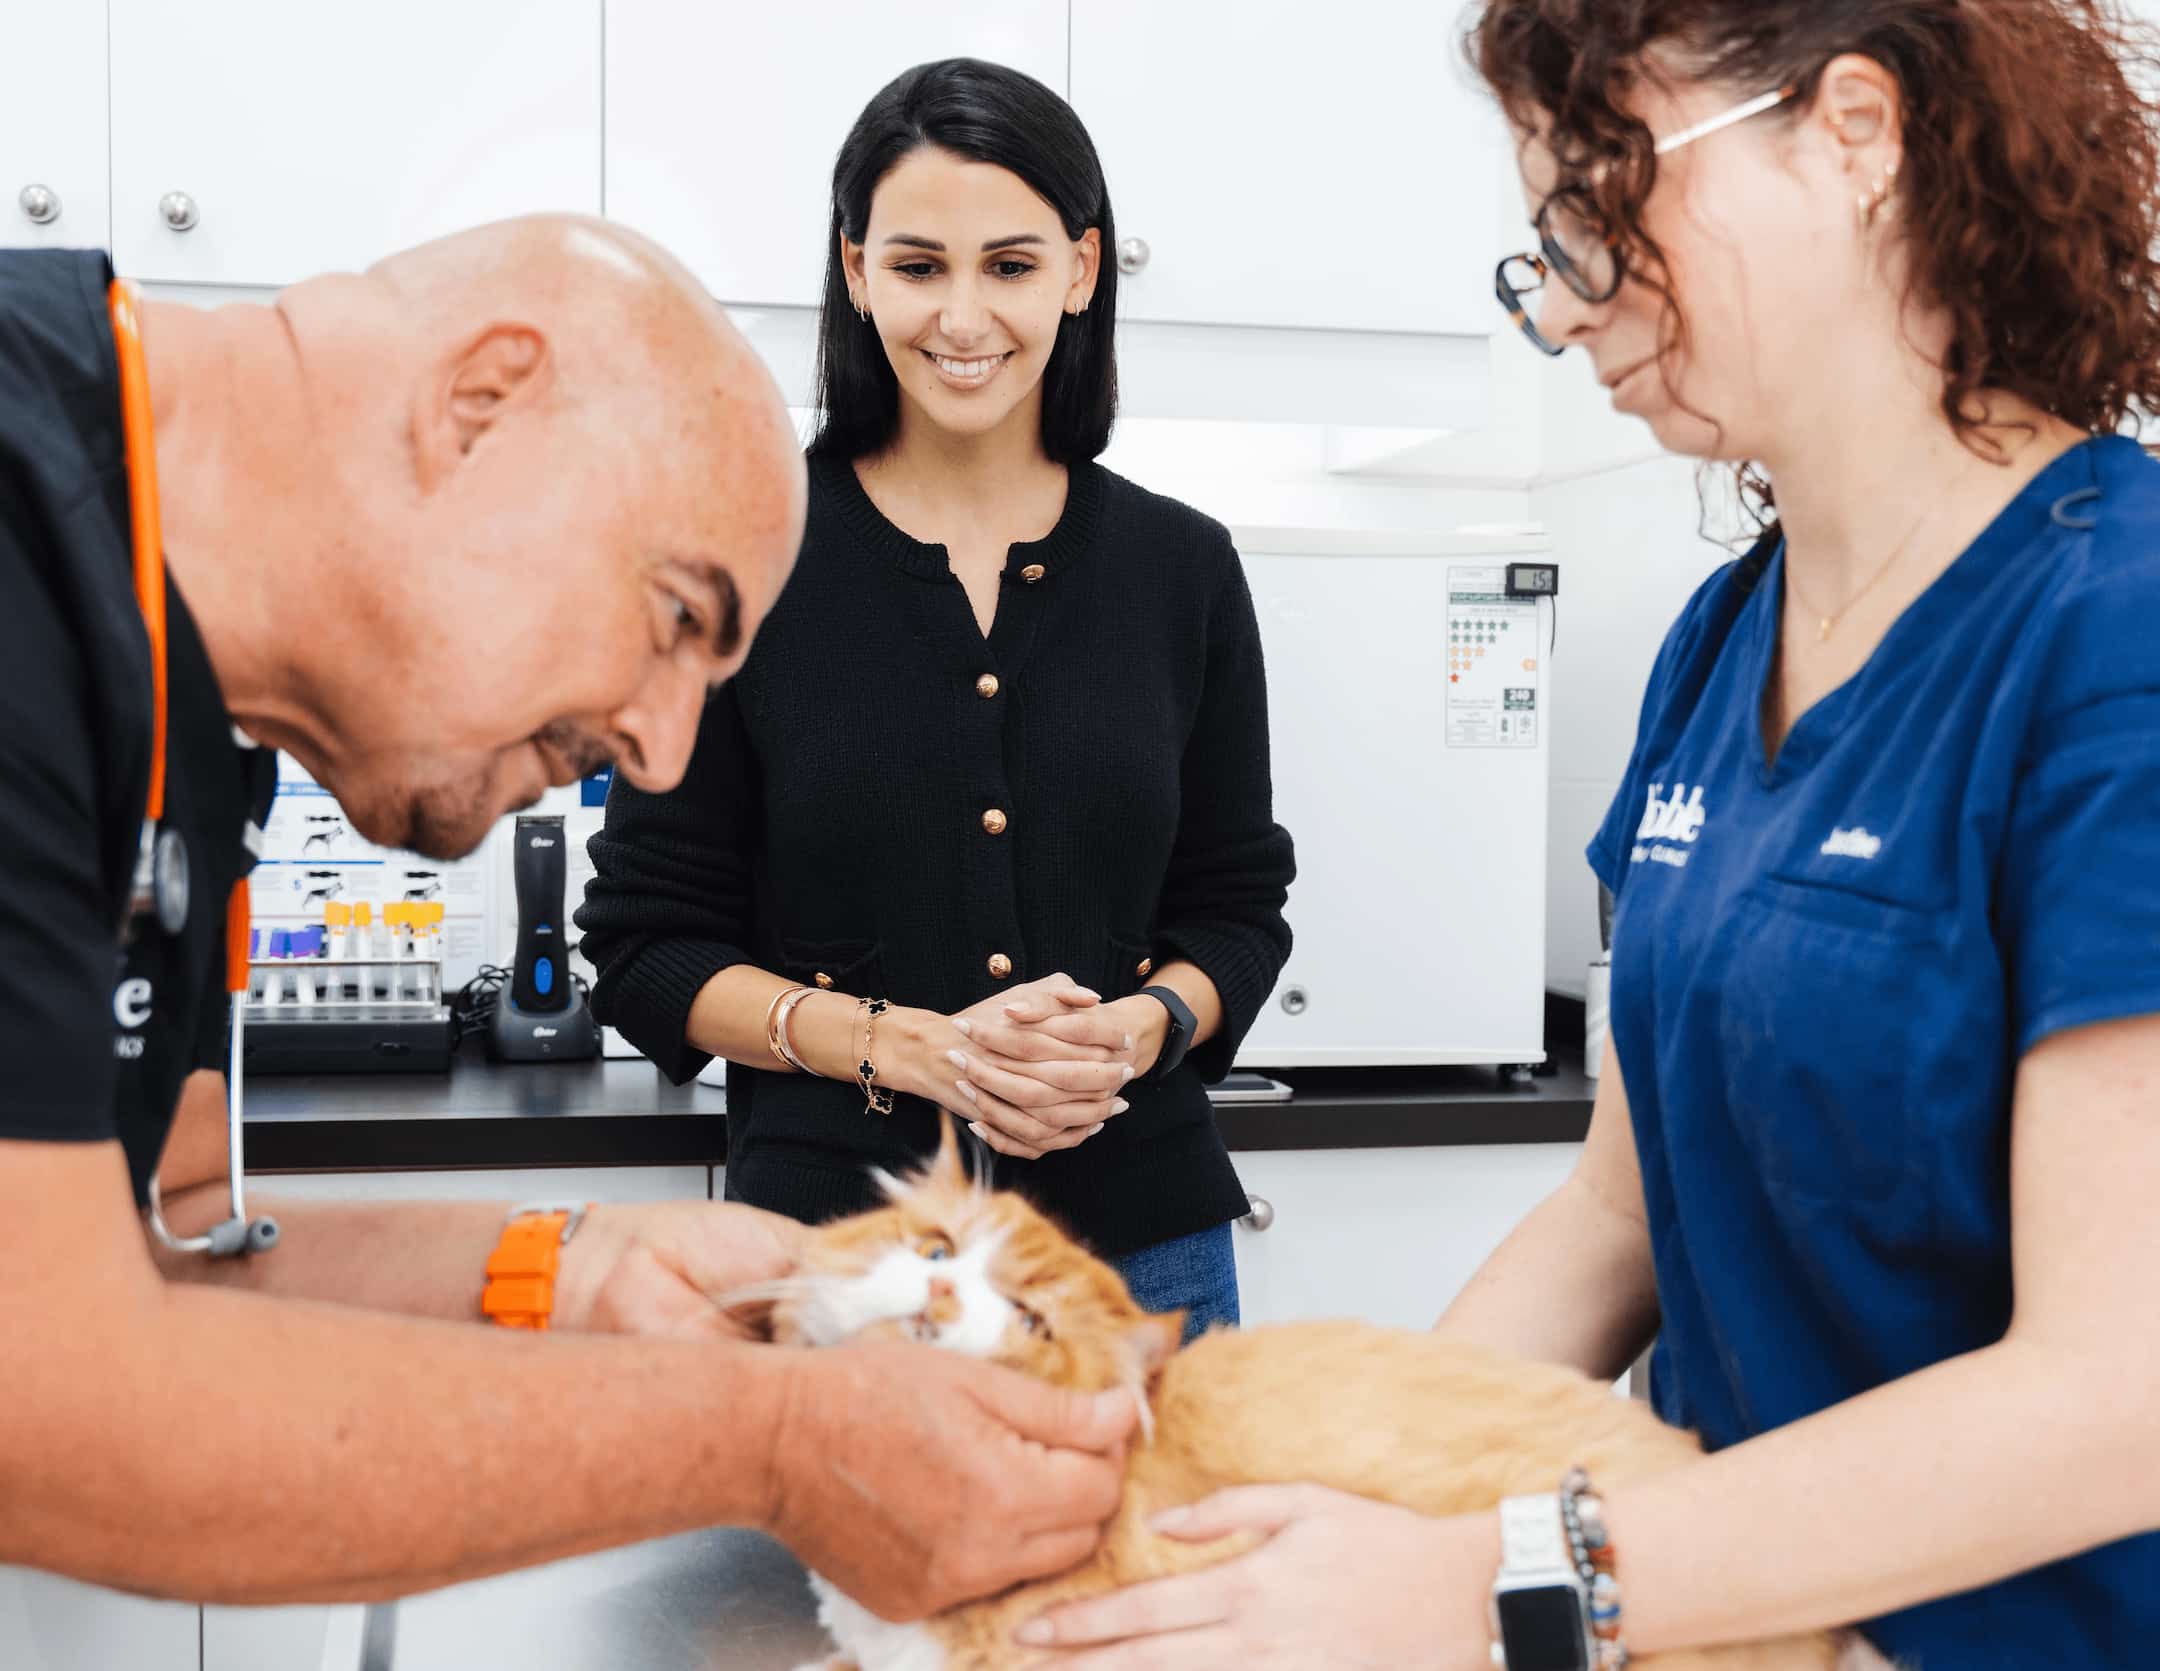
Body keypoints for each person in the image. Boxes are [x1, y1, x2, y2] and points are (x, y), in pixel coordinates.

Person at [1017, 2, 2160, 1665]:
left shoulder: (2112, 635)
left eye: (1595, 208)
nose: (1556, 304)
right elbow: (1616, 1220)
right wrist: (1313, 1491)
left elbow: (2116, 1394)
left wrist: (1501, 1579)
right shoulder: (1718, 642)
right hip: (1737, 1628)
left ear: (1855, 134)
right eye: (1537, 246)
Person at [0, 217, 1135, 1619]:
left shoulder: (186, 712)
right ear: (479, 406)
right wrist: (773, 1439)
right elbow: (45, 1394)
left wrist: (572, 1264)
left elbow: (170, 1235)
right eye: (674, 614)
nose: (658, 752)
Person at [578, 59, 1295, 1338]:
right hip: (838, 1252)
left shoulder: (1183, 568)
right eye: (918, 267)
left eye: (1010, 266)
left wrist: (1138, 1031)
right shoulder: (737, 560)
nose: (964, 316)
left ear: (1082, 271)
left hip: (1143, 1258)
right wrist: (913, 1051)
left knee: (1173, 1548)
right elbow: (647, 947)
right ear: (855, 272)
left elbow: (1237, 911)